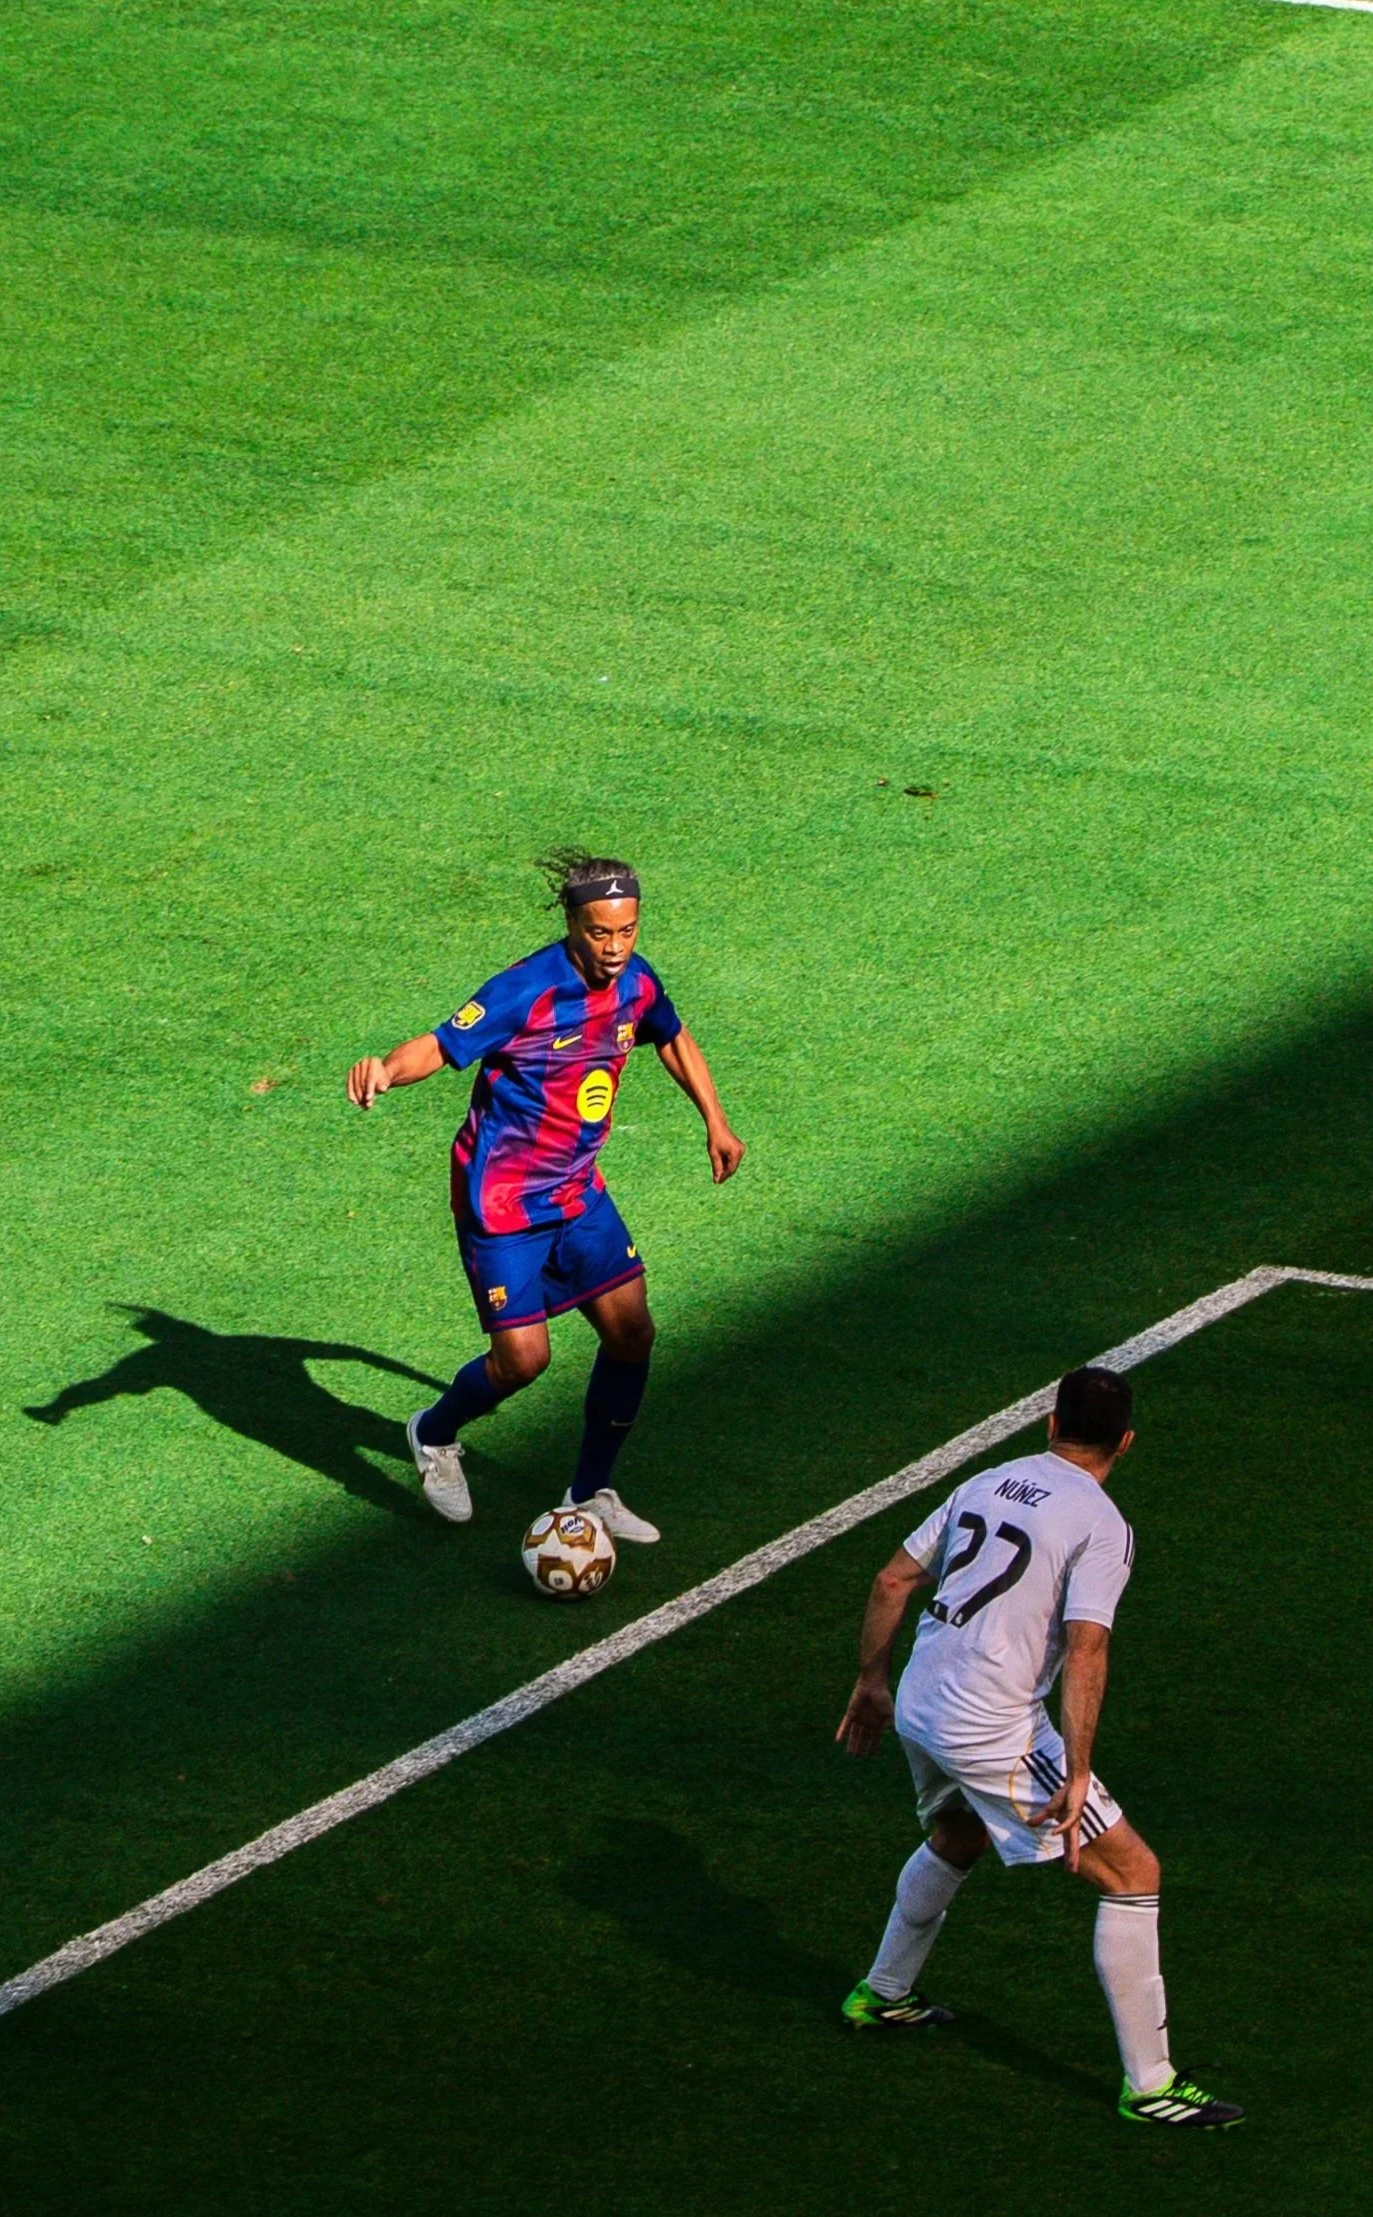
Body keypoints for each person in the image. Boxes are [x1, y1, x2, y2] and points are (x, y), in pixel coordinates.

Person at [834, 1366, 1243, 2129]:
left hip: (922, 1697)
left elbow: (893, 1579)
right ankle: (1150, 2085)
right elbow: (1086, 1649)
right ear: (1124, 1441)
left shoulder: (988, 1479)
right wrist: (1078, 1769)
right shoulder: (1100, 1522)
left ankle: (882, 1992)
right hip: (993, 1722)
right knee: (1132, 1872)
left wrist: (869, 1681)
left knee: (958, 1831)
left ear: (1048, 1423)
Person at [344, 853, 744, 1533]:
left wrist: (714, 1118)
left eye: (626, 931)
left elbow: (671, 1038)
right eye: (599, 933)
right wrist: (385, 1068)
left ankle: (589, 1491)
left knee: (631, 1330)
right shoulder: (524, 990)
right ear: (570, 922)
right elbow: (441, 1045)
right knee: (523, 1360)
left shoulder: (635, 985)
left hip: (577, 1192)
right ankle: (435, 1433)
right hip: (501, 1201)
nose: (615, 948)